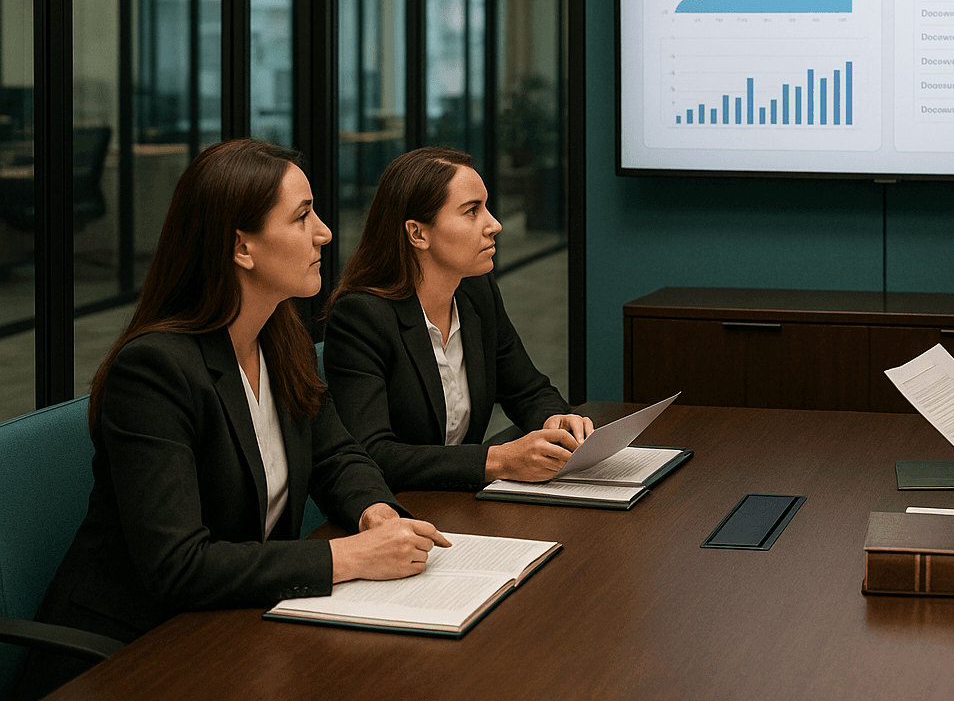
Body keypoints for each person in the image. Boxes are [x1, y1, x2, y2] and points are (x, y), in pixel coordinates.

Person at [25, 140, 449, 698]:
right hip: (128, 655)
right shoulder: (154, 371)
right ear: (241, 247)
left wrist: (375, 514)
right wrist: (343, 556)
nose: (324, 232)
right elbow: (179, 565)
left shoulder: (277, 334)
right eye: (302, 217)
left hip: (233, 627)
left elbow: (337, 453)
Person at [323, 147, 591, 491]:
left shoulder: (476, 293)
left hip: (459, 500)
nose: (494, 224)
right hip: (401, 512)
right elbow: (372, 454)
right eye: (471, 211)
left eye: (486, 207)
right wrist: (498, 460)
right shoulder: (361, 317)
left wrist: (555, 419)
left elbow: (527, 390)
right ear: (417, 233)